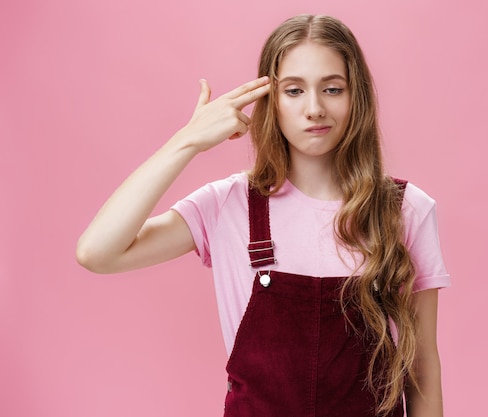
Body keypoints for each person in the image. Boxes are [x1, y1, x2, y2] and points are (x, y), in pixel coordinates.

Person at [76, 14, 450, 417]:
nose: (314, 108)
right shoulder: (227, 205)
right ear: (270, 100)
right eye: (293, 90)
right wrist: (187, 141)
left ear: (355, 95)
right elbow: (98, 252)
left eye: (332, 88)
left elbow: (422, 365)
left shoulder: (406, 209)